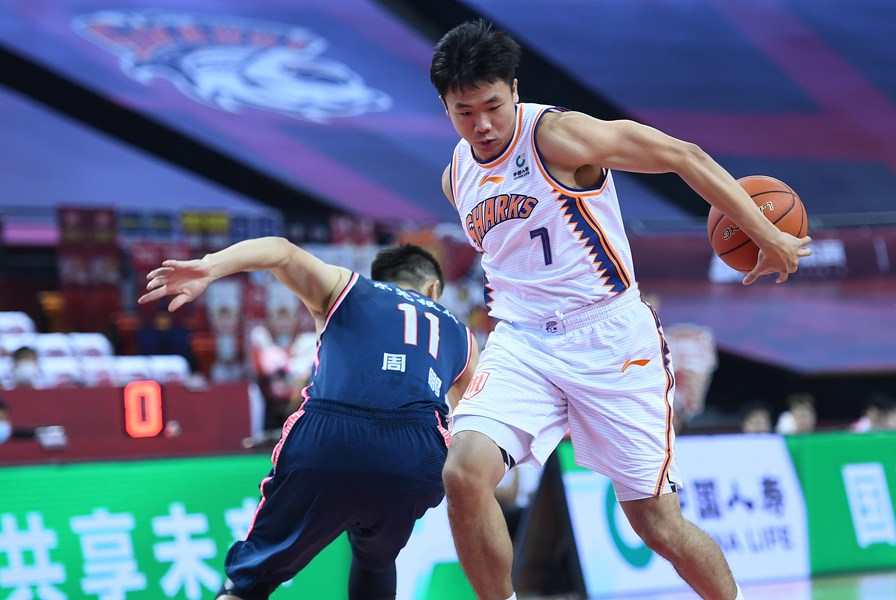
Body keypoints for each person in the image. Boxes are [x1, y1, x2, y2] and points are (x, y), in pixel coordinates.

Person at [429, 19, 811, 600]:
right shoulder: (456, 176)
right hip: (523, 344)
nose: (481, 124)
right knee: (462, 473)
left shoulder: (559, 136)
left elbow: (683, 155)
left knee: (656, 524)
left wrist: (767, 232)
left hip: (608, 337)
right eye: (464, 112)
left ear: (514, 89)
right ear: (446, 108)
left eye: (492, 106)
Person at [138, 238, 478, 600]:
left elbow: (281, 252)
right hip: (417, 456)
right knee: (377, 556)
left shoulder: (351, 288)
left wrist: (210, 266)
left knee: (251, 580)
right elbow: (472, 425)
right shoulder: (462, 334)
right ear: (434, 289)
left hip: (331, 436)